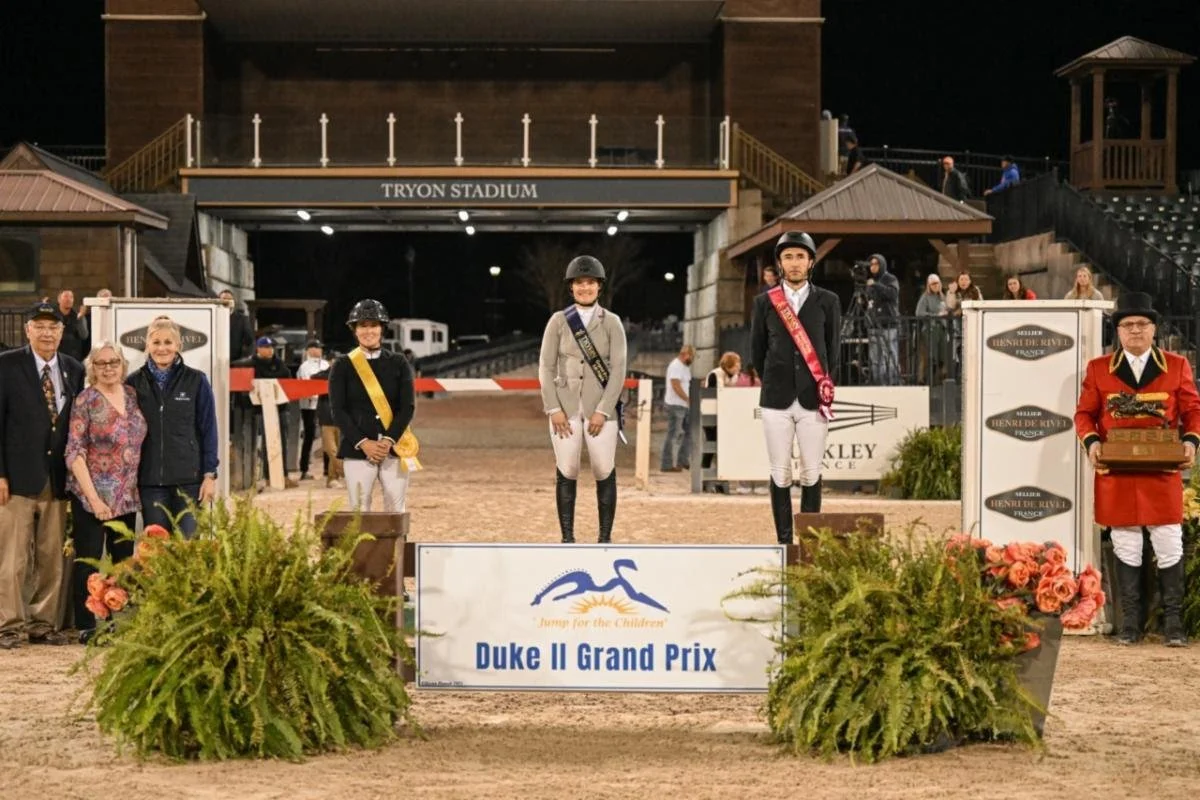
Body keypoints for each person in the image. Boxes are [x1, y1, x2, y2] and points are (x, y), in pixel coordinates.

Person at [1075, 292, 1200, 647]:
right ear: (1118, 331)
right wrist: (1092, 444)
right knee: (1125, 544)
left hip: (1162, 470)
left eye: (1142, 324)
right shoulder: (1098, 368)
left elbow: (1193, 410)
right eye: (1127, 325)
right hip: (1117, 472)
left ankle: (1173, 624)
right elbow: (1084, 414)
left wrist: (1191, 442)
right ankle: (1130, 623)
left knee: (1169, 542)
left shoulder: (1177, 365)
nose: (1135, 330)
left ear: (1154, 329)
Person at [0, 302, 85, 649]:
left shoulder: (73, 368)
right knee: (13, 558)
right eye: (40, 326)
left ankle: (43, 623)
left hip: (57, 480)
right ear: (28, 330)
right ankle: (9, 625)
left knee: (52, 557)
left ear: (62, 332)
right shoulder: (6, 366)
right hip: (16, 480)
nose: (47, 333)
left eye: (53, 327)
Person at [751, 231, 841, 543]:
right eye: (788, 257)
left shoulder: (828, 301)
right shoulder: (764, 302)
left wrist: (822, 387)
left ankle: (809, 543)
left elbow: (833, 351)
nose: (794, 263)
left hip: (813, 400)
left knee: (811, 471)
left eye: (800, 256)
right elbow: (757, 351)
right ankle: (784, 541)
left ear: (811, 262)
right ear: (780, 263)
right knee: (780, 472)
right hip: (776, 399)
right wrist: (775, 378)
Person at [538, 255, 628, 543]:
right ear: (571, 287)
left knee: (603, 468)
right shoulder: (558, 321)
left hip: (600, 408)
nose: (585, 288)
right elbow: (546, 366)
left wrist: (604, 410)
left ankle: (604, 538)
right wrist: (553, 408)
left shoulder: (612, 322)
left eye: (590, 283)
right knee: (567, 468)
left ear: (599, 286)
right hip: (565, 408)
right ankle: (567, 537)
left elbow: (618, 370)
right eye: (579, 283)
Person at [65, 342, 147, 643]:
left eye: (114, 362)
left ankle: (117, 623)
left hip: (126, 495)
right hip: (92, 495)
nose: (108, 367)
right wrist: (94, 499)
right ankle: (87, 625)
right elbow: (74, 453)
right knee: (89, 561)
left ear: (122, 365)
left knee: (122, 563)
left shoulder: (132, 395)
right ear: (92, 368)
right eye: (101, 363)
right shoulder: (85, 400)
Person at [127, 316, 219, 538]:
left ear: (178, 345)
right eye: (156, 342)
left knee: (187, 548)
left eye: (168, 342)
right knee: (157, 551)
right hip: (150, 484)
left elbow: (209, 430)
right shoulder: (133, 383)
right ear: (147, 345)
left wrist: (209, 475)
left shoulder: (197, 380)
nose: (162, 348)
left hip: (189, 483)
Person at [329, 299, 417, 513]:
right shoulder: (342, 365)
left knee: (396, 509)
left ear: (382, 329)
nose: (368, 331)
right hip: (357, 447)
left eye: (373, 325)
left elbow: (407, 407)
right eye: (363, 325)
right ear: (355, 330)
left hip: (393, 447)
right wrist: (363, 443)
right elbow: (338, 410)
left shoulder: (399, 362)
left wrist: (388, 440)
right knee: (359, 511)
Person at [252, 335, 298, 488]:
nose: (270, 350)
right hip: (261, 410)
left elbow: (287, 378)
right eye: (266, 347)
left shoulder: (278, 362)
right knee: (267, 444)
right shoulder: (253, 363)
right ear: (259, 348)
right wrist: (274, 379)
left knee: (282, 441)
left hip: (281, 407)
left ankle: (283, 475)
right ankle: (268, 477)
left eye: (271, 347)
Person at [296, 339, 330, 481]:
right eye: (317, 347)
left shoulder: (326, 364)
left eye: (320, 347)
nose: (320, 350)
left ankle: (328, 469)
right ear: (310, 350)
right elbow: (306, 386)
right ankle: (304, 469)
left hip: (324, 403)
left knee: (327, 435)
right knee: (309, 436)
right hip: (309, 405)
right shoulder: (304, 367)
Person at [864, 253, 900, 385]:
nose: (873, 267)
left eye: (876, 264)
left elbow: (893, 294)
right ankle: (878, 383)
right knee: (875, 358)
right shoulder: (870, 282)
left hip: (888, 324)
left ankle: (892, 383)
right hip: (873, 325)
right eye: (871, 264)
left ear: (882, 264)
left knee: (890, 355)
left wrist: (876, 285)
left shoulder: (890, 279)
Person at [661, 344, 694, 473]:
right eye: (692, 357)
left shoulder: (685, 367)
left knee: (689, 433)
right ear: (686, 355)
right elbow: (675, 385)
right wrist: (687, 398)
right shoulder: (676, 366)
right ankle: (666, 464)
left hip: (684, 405)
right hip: (676, 405)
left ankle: (683, 460)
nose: (692, 359)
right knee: (673, 434)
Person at [914, 273, 950, 383]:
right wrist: (935, 315)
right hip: (930, 329)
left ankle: (940, 381)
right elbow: (919, 313)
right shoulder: (925, 297)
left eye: (937, 283)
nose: (936, 286)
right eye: (933, 284)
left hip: (942, 329)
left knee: (942, 356)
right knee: (930, 356)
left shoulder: (942, 297)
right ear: (929, 285)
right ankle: (924, 380)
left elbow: (947, 310)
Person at [220, 289, 254, 364]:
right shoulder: (214, 317)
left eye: (229, 299)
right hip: (215, 359)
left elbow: (250, 341)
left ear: (234, 302)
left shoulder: (242, 319)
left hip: (235, 361)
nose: (227, 301)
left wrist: (245, 359)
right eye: (224, 299)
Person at [55, 289, 90, 363]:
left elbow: (84, 336)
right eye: (66, 296)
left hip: (74, 358)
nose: (69, 299)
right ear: (59, 300)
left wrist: (80, 319)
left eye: (71, 297)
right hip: (57, 356)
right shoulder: (53, 316)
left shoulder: (78, 316)